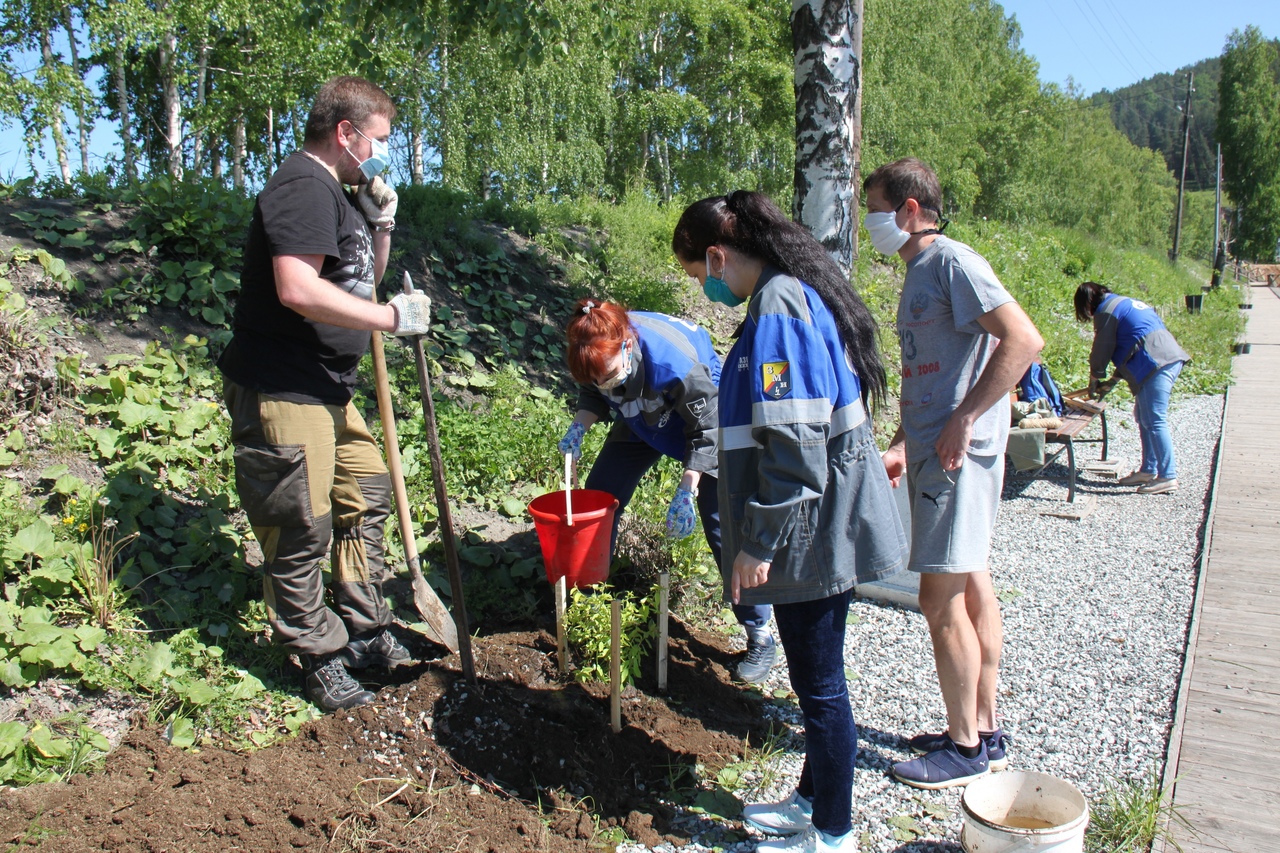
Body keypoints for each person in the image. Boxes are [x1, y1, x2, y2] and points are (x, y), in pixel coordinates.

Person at [672, 191, 908, 852]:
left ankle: (833, 832)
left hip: (809, 528)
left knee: (822, 688)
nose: (706, 286)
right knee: (816, 679)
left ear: (717, 255)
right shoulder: (783, 296)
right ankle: (811, 798)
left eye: (700, 274)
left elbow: (796, 446)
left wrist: (757, 542)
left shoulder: (777, 304)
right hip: (817, 520)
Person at [217, 76, 433, 713]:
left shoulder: (338, 197)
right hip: (284, 385)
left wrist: (381, 226)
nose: (379, 155)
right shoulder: (303, 187)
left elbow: (358, 285)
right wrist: (393, 321)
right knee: (299, 524)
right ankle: (317, 653)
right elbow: (297, 290)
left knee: (363, 498)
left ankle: (365, 628)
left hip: (330, 388)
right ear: (345, 132)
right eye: (377, 141)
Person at [863, 157, 1044, 789]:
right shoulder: (923, 272)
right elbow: (930, 374)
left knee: (938, 598)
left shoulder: (952, 263)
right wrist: (898, 442)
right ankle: (983, 732)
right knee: (972, 588)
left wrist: (965, 420)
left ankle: (964, 748)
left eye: (877, 209)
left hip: (953, 458)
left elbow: (1023, 340)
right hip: (936, 447)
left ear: (910, 210)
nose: (870, 223)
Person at [559, 299, 778, 683]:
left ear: (628, 346)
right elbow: (596, 392)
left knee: (721, 525)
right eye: (595, 379)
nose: (603, 384)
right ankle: (586, 599)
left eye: (608, 375)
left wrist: (686, 491)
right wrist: (580, 425)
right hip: (643, 418)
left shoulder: (679, 366)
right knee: (599, 501)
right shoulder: (599, 349)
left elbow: (706, 432)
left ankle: (760, 633)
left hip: (706, 428)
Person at [1074, 281, 1190, 494]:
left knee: (1154, 419)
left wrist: (1094, 381)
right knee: (1143, 416)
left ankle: (1167, 476)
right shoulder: (1124, 303)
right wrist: (1112, 381)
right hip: (1163, 358)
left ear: (1087, 303)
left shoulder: (1107, 311)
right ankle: (1148, 470)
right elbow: (1133, 342)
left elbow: (1102, 349)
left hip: (1155, 362)